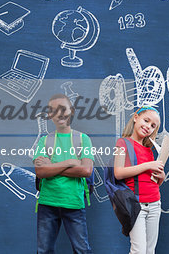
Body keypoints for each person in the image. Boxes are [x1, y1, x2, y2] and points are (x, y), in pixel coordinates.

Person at [33, 94, 94, 254]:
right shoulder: (44, 141)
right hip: (47, 203)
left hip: (73, 202)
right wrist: (70, 162)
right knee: (44, 250)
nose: (59, 114)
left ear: (72, 111)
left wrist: (51, 166)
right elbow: (41, 171)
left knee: (82, 250)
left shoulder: (83, 139)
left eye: (63, 109)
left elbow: (86, 170)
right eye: (53, 110)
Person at [114, 106, 166, 254]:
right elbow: (118, 173)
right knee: (139, 251)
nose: (148, 126)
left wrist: (160, 174)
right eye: (146, 120)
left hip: (155, 203)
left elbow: (156, 183)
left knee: (150, 250)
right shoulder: (123, 143)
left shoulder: (149, 150)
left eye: (153, 126)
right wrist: (148, 165)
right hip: (136, 205)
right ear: (136, 117)